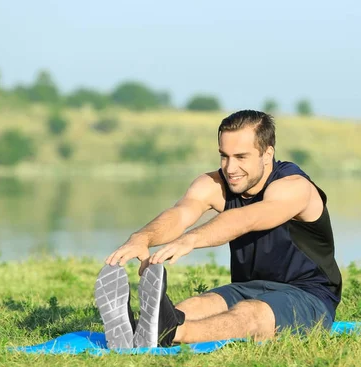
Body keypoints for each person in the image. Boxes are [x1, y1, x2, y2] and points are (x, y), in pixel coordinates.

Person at [97, 110, 342, 349]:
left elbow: (246, 219)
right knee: (198, 305)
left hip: (309, 295)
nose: (230, 168)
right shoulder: (215, 183)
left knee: (251, 314)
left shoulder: (294, 187)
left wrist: (190, 240)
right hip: (249, 286)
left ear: (267, 154)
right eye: (224, 156)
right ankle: (140, 329)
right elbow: (181, 213)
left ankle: (170, 332)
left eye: (241, 157)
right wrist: (143, 238)